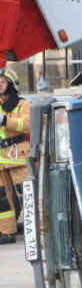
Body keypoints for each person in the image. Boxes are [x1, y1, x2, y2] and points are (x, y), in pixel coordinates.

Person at [0, 70, 30, 244]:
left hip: (18, 154)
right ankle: (7, 233)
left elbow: (26, 125)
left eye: (3, 81)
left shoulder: (23, 104)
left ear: (11, 84)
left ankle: (39, 230)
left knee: (28, 194)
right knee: (2, 198)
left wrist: (4, 121)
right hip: (1, 158)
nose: (0, 84)